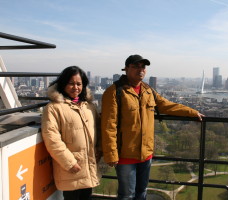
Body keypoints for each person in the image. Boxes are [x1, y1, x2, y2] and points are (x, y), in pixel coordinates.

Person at [101, 54, 204, 200]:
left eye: (143, 67)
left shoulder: (148, 90)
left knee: (142, 192)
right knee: (126, 195)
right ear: (126, 69)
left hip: (146, 154)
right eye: (135, 66)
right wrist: (111, 154)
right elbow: (108, 125)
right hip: (125, 155)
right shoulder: (114, 92)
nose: (140, 70)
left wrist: (192, 113)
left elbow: (166, 105)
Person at [41, 66, 101, 200]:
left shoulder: (89, 106)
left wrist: (99, 149)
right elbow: (52, 139)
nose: (75, 87)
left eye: (79, 84)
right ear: (63, 84)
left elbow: (98, 129)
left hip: (88, 166)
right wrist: (69, 162)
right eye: (71, 83)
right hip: (71, 168)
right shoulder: (53, 108)